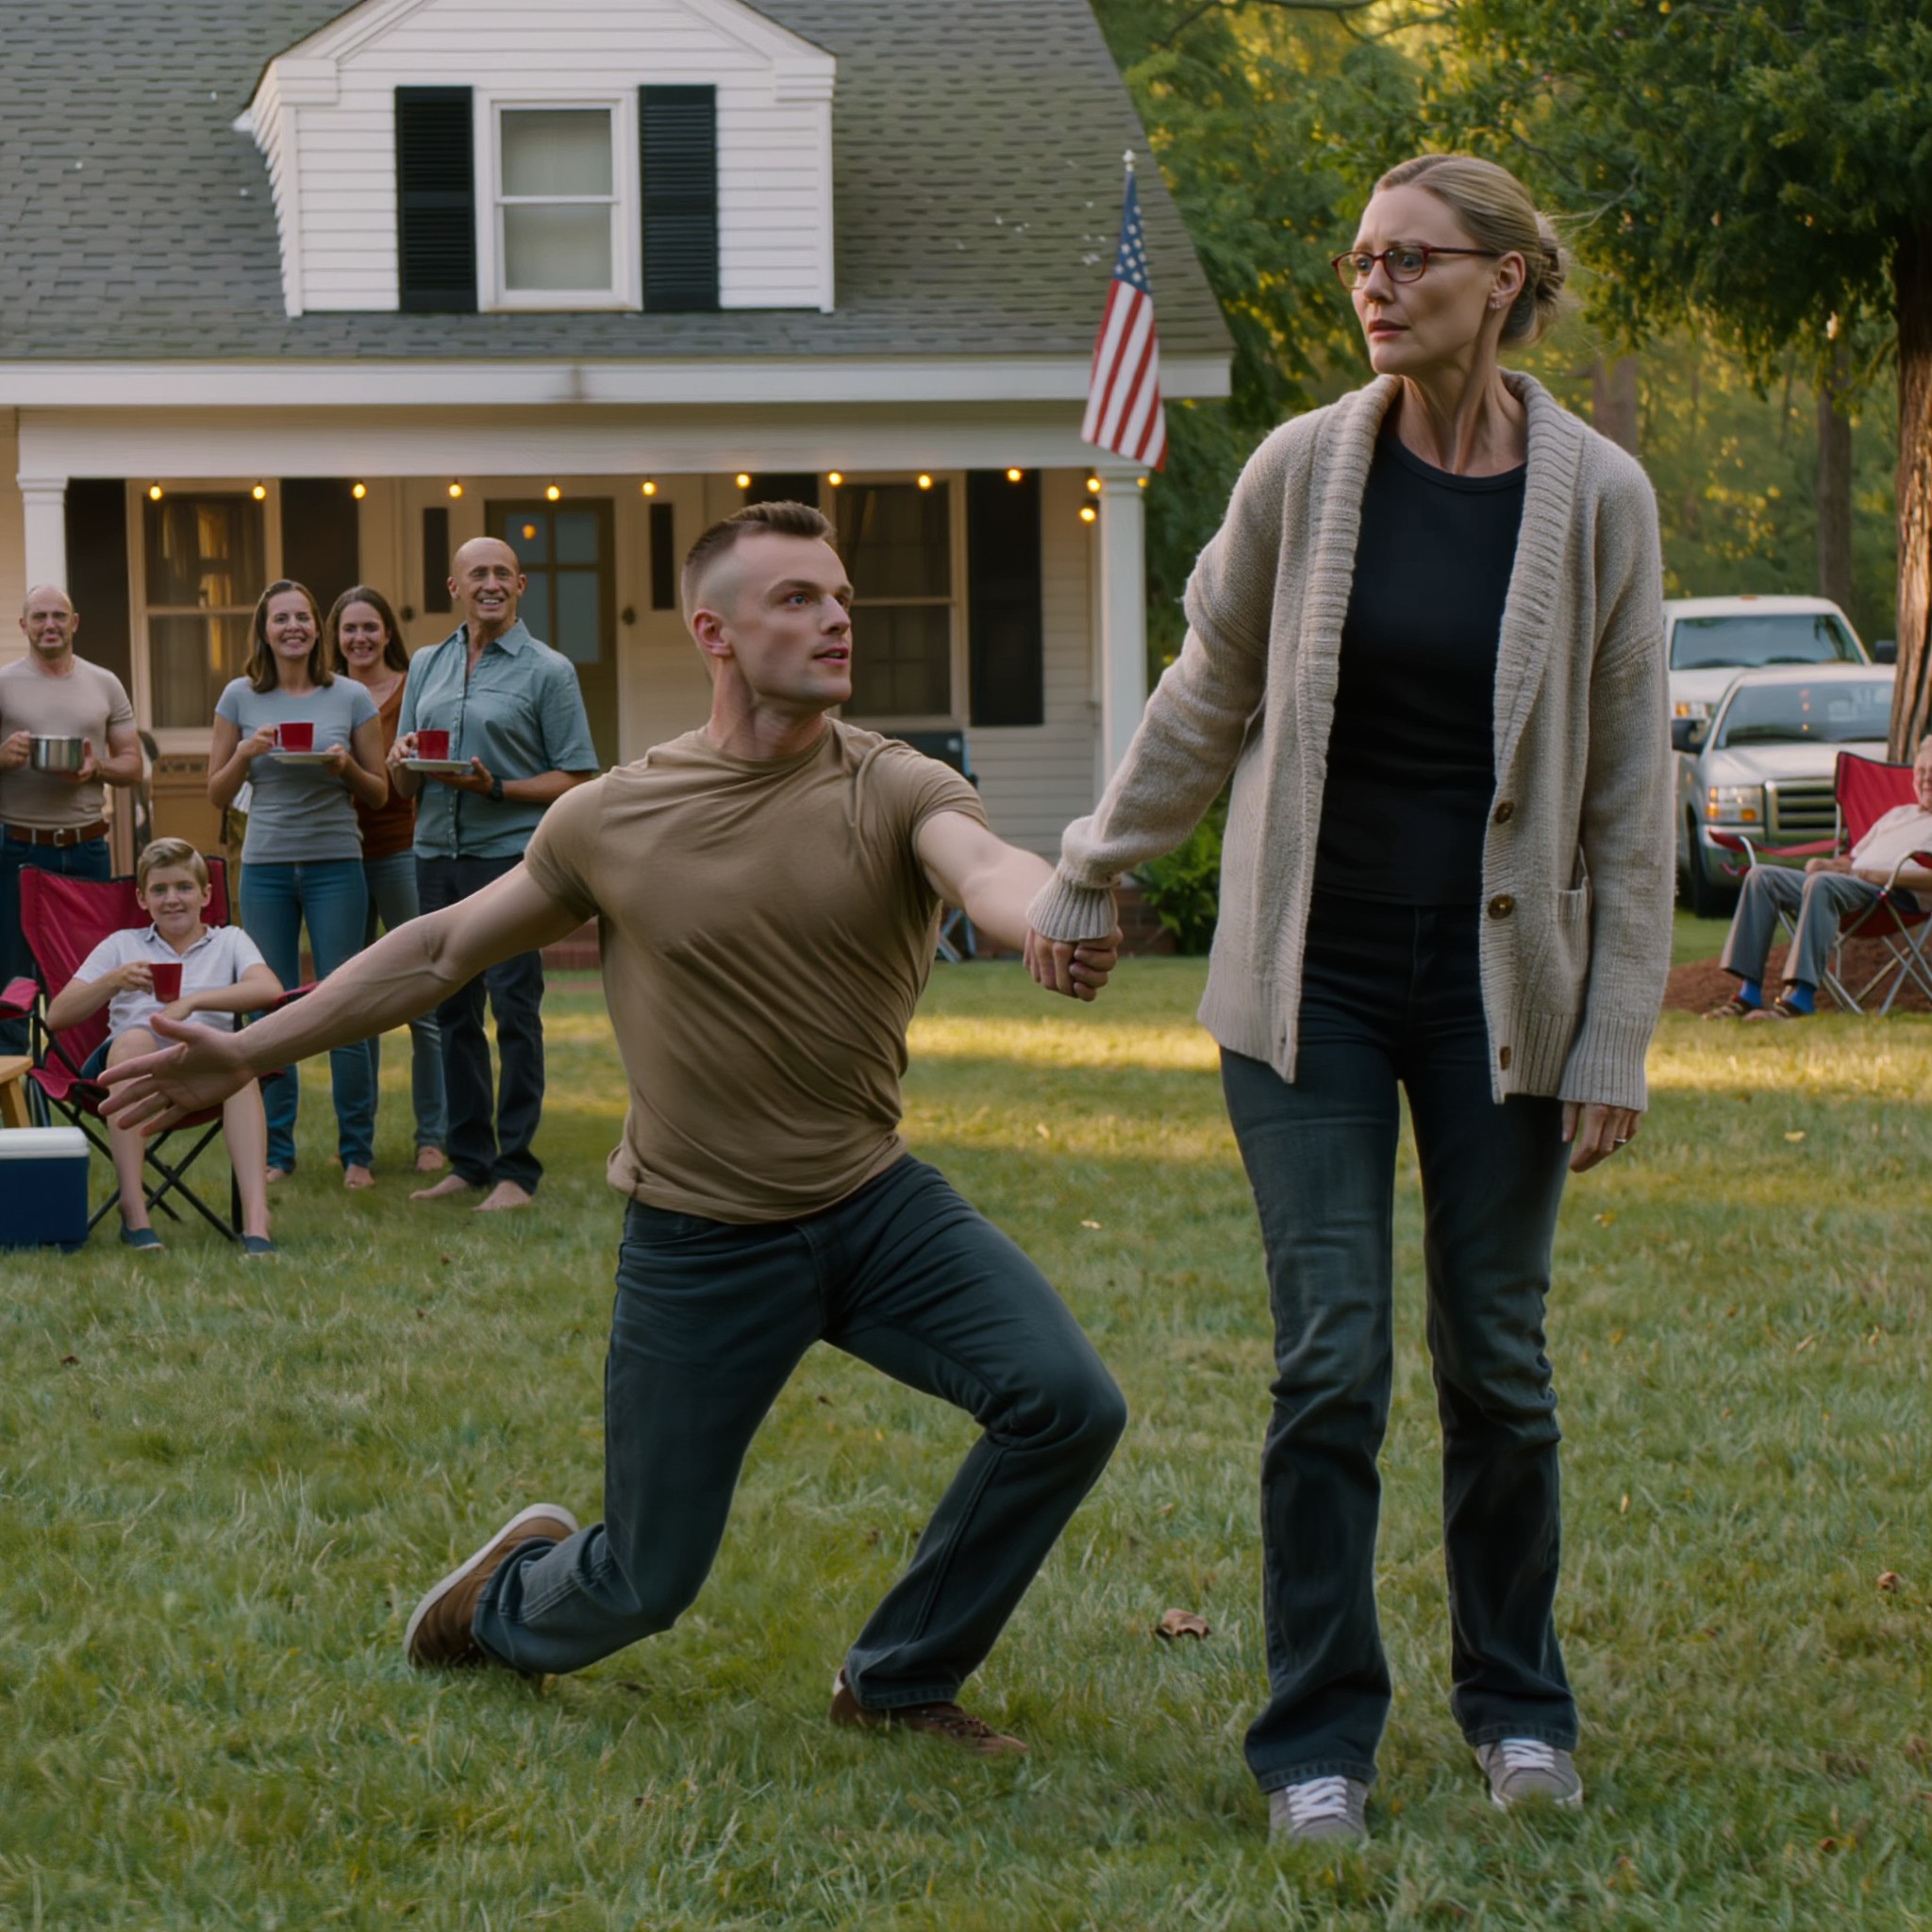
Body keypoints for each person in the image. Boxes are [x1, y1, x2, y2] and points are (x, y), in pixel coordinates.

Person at [106, 500, 1125, 1753]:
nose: (837, 616)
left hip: (873, 1205)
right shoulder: (617, 814)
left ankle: (901, 1679)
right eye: (797, 598)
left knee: (1069, 1403)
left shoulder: (894, 780)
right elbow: (436, 950)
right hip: (701, 1242)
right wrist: (250, 1052)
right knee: (647, 1580)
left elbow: (985, 867)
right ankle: (504, 1603)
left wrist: (1052, 916)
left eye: (841, 596)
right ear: (714, 631)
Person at [1024, 153, 1672, 1838]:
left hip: (1495, 993)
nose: (1372, 285)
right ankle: (1315, 1733)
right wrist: (1094, 860)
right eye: (1358, 260)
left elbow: (1620, 791)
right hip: (1304, 983)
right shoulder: (1302, 469)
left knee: (1498, 1362)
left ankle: (1516, 1704)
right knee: (1328, 1362)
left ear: (1505, 278)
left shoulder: (1598, 496)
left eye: (1409, 259)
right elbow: (1203, 695)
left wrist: (1612, 1032)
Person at [390, 537, 598, 1212]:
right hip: (435, 855)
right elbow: (404, 781)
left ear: (521, 586)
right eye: (476, 573)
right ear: (453, 586)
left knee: (513, 1010)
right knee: (452, 1010)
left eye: (502, 574)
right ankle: (469, 1160)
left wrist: (497, 788)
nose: (490, 583)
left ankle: (517, 1171)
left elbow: (576, 777)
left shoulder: (548, 670)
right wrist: (400, 759)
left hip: (510, 858)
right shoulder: (427, 662)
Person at [208, 579, 389, 1187]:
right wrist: (246, 753)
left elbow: (380, 790)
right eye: (281, 618)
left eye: (303, 617)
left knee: (345, 1004)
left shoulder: (352, 696)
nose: (293, 627)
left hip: (337, 863)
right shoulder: (239, 697)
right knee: (268, 1009)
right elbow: (217, 791)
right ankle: (276, 1150)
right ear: (264, 630)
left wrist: (345, 767)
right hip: (264, 868)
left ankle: (356, 1151)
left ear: (317, 628)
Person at [47, 838, 281, 1255]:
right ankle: (134, 1213)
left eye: (183, 887)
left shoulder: (230, 941)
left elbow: (268, 988)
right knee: (135, 1038)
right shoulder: (122, 945)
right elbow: (58, 1015)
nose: (172, 899)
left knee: (238, 1063)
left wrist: (192, 1002)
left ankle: (257, 1221)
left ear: (206, 895)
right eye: (159, 890)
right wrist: (112, 981)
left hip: (205, 1064)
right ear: (142, 898)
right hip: (130, 1068)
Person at [328, 584, 448, 1170]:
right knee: (357, 1001)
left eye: (369, 627)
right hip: (340, 857)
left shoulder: (412, 687)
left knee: (421, 994)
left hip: (401, 849)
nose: (360, 638)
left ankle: (433, 1135)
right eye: (349, 629)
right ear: (337, 638)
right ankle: (358, 1147)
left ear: (386, 633)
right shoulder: (325, 694)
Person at [0, 584, 142, 1053]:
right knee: (11, 986)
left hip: (87, 850)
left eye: (59, 616)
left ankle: (82, 1088)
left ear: (74, 623)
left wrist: (95, 767)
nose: (49, 625)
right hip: (17, 849)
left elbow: (132, 765)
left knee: (87, 979)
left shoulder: (104, 683)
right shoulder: (4, 683)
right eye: (39, 617)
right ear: (24, 625)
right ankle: (15, 1105)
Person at [1707, 738, 1932, 1019]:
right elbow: (1852, 859)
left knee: (1821, 885)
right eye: (1921, 771)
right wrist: (1829, 864)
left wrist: (1883, 875)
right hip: (1850, 886)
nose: (1925, 779)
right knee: (1761, 877)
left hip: (1891, 898)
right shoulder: (1898, 815)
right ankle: (1747, 994)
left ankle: (1800, 1000)